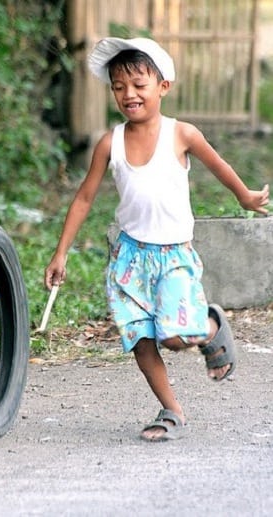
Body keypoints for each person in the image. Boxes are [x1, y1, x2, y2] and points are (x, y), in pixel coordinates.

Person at [44, 37, 270, 441]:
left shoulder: (181, 134)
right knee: (141, 340)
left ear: (163, 86)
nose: (128, 94)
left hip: (173, 257)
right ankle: (171, 410)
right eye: (118, 87)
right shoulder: (109, 143)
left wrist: (244, 195)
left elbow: (218, 164)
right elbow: (83, 198)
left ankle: (211, 325)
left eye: (138, 84)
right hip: (129, 258)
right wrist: (61, 252)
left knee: (173, 335)